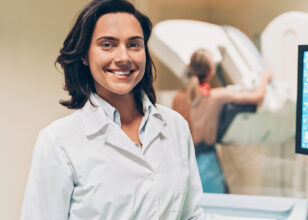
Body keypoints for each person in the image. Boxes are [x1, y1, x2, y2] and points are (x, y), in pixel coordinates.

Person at [20, 0, 205, 219]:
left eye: (134, 44)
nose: (123, 58)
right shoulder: (58, 141)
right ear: (84, 56)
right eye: (107, 44)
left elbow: (191, 215)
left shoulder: (175, 126)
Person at [172, 49, 272, 193]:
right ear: (211, 71)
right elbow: (258, 97)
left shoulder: (178, 98)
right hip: (206, 164)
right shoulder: (216, 96)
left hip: (183, 162)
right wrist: (265, 77)